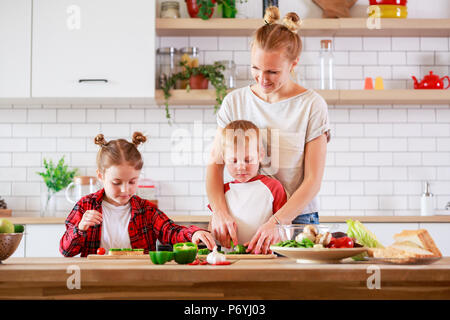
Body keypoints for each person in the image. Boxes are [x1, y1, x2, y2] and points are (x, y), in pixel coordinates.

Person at [206, 6, 330, 254]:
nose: (262, 79)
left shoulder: (311, 105)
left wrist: (277, 222)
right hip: (241, 218)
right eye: (255, 68)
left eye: (273, 71)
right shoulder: (234, 102)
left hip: (296, 222)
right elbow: (215, 165)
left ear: (294, 64)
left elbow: (313, 180)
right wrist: (219, 212)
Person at [60, 132, 215, 257]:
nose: (125, 190)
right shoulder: (86, 206)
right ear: (101, 176)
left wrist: (194, 233)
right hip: (96, 281)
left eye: (132, 182)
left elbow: (171, 231)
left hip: (139, 280)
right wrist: (80, 228)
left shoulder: (146, 210)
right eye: (117, 182)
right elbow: (66, 251)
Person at [207, 120, 287, 247]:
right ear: (223, 158)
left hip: (266, 256)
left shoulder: (273, 187)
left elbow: (284, 226)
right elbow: (214, 224)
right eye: (233, 160)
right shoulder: (222, 192)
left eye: (248, 159)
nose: (241, 166)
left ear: (260, 155)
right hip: (230, 259)